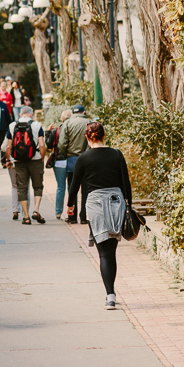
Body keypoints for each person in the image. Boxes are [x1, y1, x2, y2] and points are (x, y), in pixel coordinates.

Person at [68, 122, 132, 309]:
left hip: (95, 205)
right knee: (111, 252)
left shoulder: (84, 158)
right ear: (104, 136)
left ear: (87, 138)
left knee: (103, 253)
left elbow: (74, 185)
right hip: (116, 202)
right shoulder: (117, 154)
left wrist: (70, 206)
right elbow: (125, 182)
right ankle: (111, 293)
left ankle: (110, 296)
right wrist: (128, 205)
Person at [6, 107, 46, 224]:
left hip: (19, 161)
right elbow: (42, 144)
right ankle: (36, 210)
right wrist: (42, 157)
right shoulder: (37, 125)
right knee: (38, 186)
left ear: (20, 114)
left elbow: (8, 146)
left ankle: (26, 217)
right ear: (31, 114)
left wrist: (8, 160)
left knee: (22, 188)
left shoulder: (12, 125)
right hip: (36, 159)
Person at [61, 105, 91, 223]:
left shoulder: (67, 123)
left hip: (72, 160)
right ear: (84, 112)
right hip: (87, 160)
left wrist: (66, 155)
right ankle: (84, 217)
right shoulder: (89, 123)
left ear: (73, 113)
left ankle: (72, 217)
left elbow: (62, 143)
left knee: (72, 190)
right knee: (86, 190)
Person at [51, 109, 71, 218]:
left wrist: (48, 132)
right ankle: (70, 212)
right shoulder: (73, 129)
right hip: (71, 160)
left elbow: (49, 144)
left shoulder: (57, 130)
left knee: (60, 187)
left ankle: (58, 211)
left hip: (59, 161)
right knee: (70, 187)